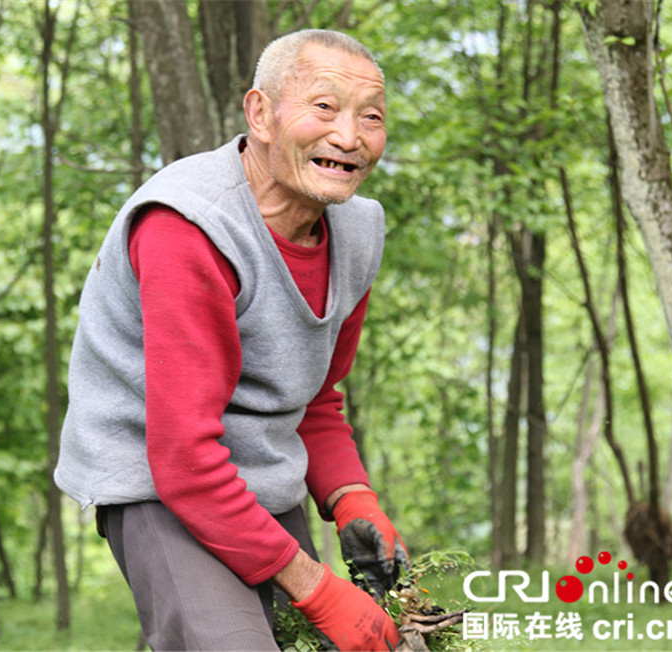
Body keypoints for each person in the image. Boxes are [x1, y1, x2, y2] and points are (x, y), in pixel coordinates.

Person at [55, 28, 408, 651]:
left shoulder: (357, 234)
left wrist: (354, 499)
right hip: (155, 480)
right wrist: (319, 588)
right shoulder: (187, 227)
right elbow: (185, 462)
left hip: (257, 474)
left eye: (371, 117)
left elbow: (317, 398)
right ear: (261, 113)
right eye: (323, 107)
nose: (350, 137)